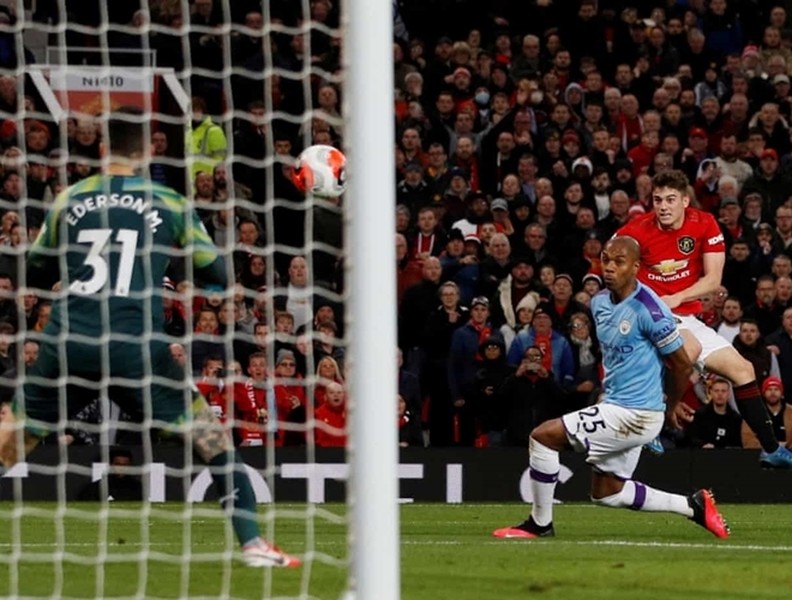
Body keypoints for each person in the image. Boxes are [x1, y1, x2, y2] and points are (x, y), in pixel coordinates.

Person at [0, 107, 299, 568]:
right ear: (146, 152)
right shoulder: (169, 202)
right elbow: (218, 273)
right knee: (213, 442)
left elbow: (35, 270)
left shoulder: (69, 198)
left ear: (103, 148)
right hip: (136, 349)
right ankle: (253, 544)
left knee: (11, 442)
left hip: (69, 343)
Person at [493, 236, 729, 540]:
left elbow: (682, 363)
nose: (609, 267)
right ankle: (693, 506)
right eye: (606, 259)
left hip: (636, 413)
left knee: (543, 438)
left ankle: (539, 524)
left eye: (619, 261)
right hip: (617, 405)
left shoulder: (650, 310)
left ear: (636, 267)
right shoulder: (599, 302)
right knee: (608, 492)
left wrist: (668, 406)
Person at [617, 169, 792, 468]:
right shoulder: (635, 230)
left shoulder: (704, 223)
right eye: (657, 200)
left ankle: (771, 449)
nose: (663, 206)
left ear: (685, 201)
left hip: (683, 314)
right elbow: (610, 261)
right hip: (648, 313)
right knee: (690, 349)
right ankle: (654, 420)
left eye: (670, 199)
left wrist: (677, 297)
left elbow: (713, 280)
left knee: (743, 369)